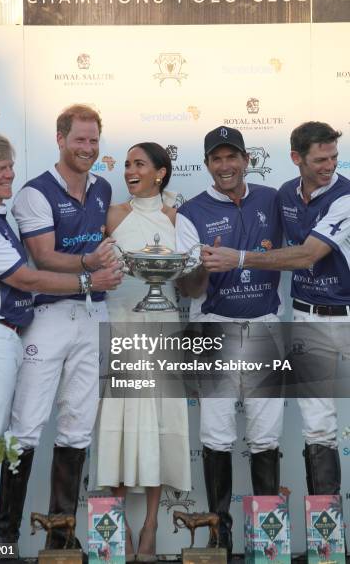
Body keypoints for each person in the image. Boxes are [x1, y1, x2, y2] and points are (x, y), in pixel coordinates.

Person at [0, 131, 119, 544]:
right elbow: (27, 276)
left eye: (9, 165)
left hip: (2, 337)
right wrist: (88, 279)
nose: (9, 174)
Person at [202, 120, 348, 497]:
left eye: (333, 157)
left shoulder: (347, 196)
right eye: (319, 159)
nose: (329, 165)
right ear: (296, 158)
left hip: (345, 316)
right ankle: (327, 539)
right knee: (318, 425)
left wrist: (239, 259)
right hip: (305, 319)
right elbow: (257, 227)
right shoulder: (283, 195)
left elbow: (307, 255)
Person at [0, 104, 123, 547]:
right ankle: (4, 539)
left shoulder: (104, 187)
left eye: (93, 141)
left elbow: (118, 231)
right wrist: (91, 264)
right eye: (80, 140)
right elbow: (45, 256)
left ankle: (60, 539)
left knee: (76, 427)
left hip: (93, 314)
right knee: (27, 426)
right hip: (49, 315)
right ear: (60, 138)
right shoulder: (34, 192)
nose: (88, 148)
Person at [175, 126, 285, 558]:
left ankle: (267, 538)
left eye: (232, 157)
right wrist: (205, 267)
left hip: (267, 326)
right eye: (217, 159)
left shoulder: (273, 199)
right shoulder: (190, 212)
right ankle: (220, 537)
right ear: (206, 164)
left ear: (246, 160)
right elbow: (189, 288)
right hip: (214, 327)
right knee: (216, 434)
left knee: (266, 435)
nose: (225, 166)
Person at [92, 142, 191, 562]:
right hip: (121, 326)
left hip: (162, 330)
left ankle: (150, 526)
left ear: (161, 173)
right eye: (128, 164)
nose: (130, 170)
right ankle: (120, 530)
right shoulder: (113, 214)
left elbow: (189, 275)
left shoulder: (175, 218)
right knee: (120, 426)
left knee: (159, 423)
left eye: (140, 164)